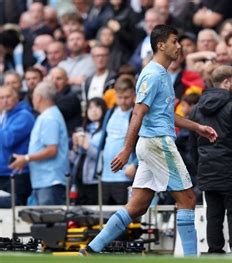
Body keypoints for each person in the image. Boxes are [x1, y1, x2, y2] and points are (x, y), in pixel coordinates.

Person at [80, 25, 217, 256]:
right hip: (158, 143)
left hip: (151, 143)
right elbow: (138, 112)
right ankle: (192, 259)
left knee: (138, 205)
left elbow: (165, 114)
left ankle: (91, 250)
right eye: (174, 41)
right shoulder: (153, 74)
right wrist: (126, 149)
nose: (179, 45)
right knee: (188, 200)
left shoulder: (161, 74)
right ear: (161, 45)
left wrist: (198, 127)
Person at [189, 65, 232, 253]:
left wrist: (200, 169)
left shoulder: (197, 109)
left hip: (207, 172)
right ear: (226, 83)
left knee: (213, 216)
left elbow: (191, 144)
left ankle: (214, 253)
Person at [9, 81, 69, 205]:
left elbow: (52, 150)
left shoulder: (50, 118)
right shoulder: (47, 115)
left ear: (39, 97)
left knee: (50, 222)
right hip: (43, 180)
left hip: (50, 181)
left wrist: (26, 158)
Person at [97, 75, 137, 205]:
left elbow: (144, 141)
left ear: (134, 95)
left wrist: (135, 164)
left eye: (127, 97)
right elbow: (104, 140)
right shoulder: (110, 112)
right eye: (120, 97)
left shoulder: (136, 114)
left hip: (124, 176)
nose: (123, 101)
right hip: (105, 176)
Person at [0, 86, 35, 206]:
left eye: (8, 97)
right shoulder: (5, 116)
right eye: (1, 98)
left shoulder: (24, 116)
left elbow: (8, 140)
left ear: (16, 97)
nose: (4, 100)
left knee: (15, 213)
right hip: (3, 173)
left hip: (18, 173)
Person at [71, 98, 107, 205]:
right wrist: (75, 146)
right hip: (80, 177)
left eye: (97, 107)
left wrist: (87, 146)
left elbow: (101, 156)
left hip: (94, 179)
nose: (93, 110)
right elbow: (74, 158)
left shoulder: (105, 130)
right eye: (90, 108)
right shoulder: (84, 129)